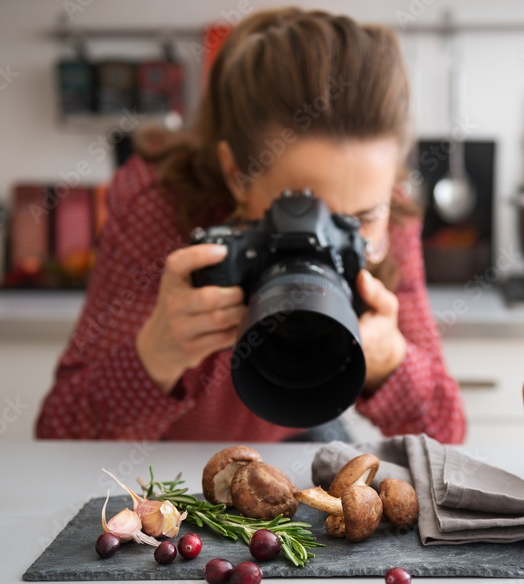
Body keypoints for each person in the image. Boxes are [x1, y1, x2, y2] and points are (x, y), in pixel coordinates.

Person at [35, 8, 466, 444]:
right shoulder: (158, 203)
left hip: (296, 433)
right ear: (235, 173)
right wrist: (155, 355)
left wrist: (392, 362)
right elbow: (60, 435)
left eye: (361, 218)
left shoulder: (389, 213)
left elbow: (447, 436)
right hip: (164, 455)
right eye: (299, 210)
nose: (324, 238)